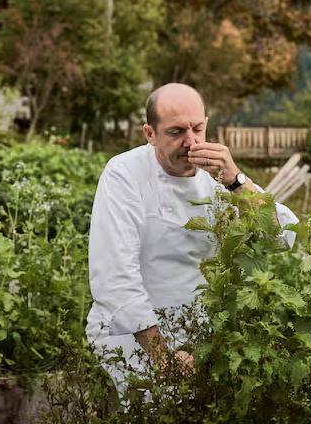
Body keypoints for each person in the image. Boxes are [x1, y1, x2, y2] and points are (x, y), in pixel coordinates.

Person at [86, 83, 297, 385]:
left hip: (201, 341)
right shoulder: (124, 174)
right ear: (150, 134)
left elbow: (281, 237)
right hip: (132, 339)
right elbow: (114, 278)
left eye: (197, 129)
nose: (191, 141)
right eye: (176, 132)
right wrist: (164, 357)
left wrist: (236, 182)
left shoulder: (218, 178)